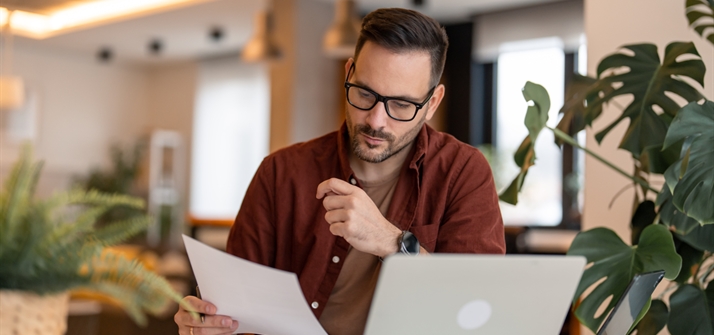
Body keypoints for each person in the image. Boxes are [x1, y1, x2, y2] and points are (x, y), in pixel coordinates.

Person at [174, 7, 504, 335]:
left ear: (432, 103)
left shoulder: (463, 173)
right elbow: (235, 307)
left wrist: (392, 243)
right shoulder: (281, 172)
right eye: (365, 93)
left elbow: (479, 308)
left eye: (401, 105)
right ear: (348, 73)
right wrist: (207, 325)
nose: (376, 120)